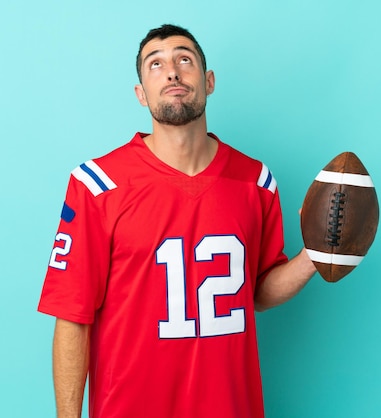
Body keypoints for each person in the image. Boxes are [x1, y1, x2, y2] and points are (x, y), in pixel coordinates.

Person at [38, 24, 316, 418]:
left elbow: (258, 290)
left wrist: (315, 257)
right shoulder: (97, 185)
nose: (172, 71)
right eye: (156, 64)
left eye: (184, 59)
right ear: (141, 93)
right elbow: (72, 315)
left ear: (209, 81)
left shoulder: (256, 181)